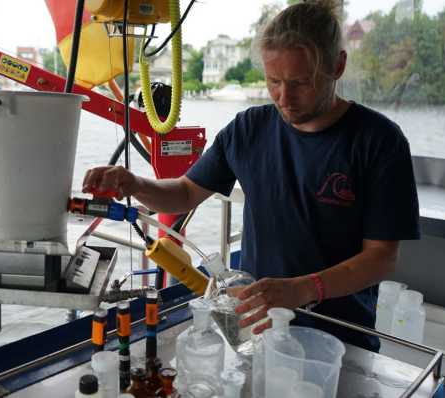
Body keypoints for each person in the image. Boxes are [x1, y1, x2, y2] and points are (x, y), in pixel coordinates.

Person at [81, 0, 419, 352]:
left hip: (341, 339)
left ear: (338, 65)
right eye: (274, 81)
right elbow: (183, 193)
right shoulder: (248, 128)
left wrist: (304, 289)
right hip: (258, 333)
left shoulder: (379, 141)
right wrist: (133, 184)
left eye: (301, 82)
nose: (285, 98)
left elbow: (381, 256)